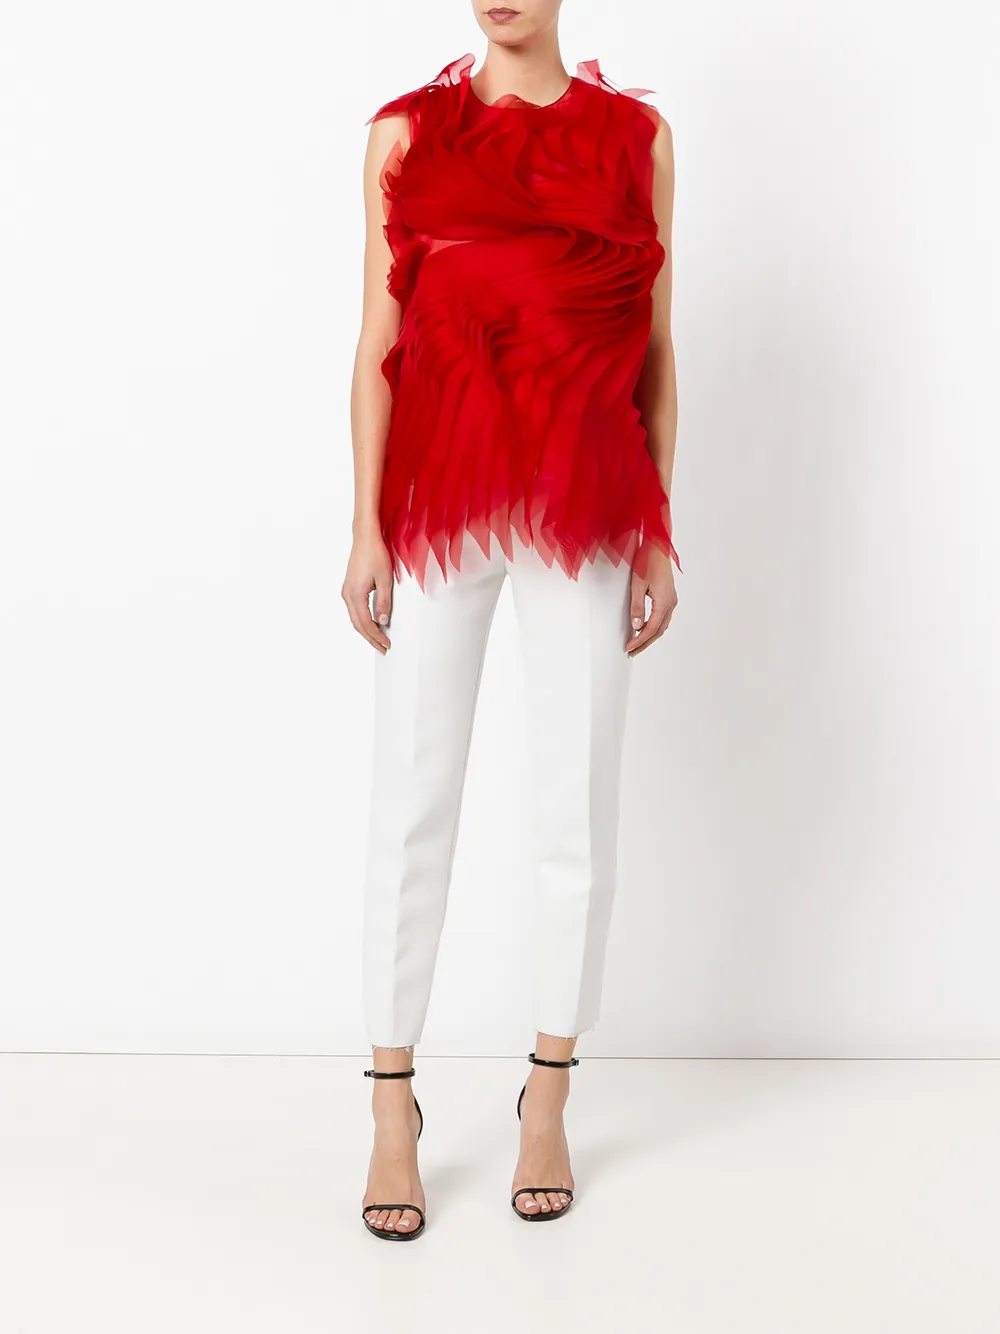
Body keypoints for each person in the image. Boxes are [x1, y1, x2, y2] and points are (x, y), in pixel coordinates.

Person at [343, 0, 680, 1241]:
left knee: (573, 803)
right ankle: (391, 1103)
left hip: (584, 504)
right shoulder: (403, 134)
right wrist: (365, 525)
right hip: (438, 502)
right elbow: (377, 340)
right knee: (411, 797)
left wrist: (656, 527)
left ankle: (548, 1089)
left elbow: (655, 347)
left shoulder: (635, 138)